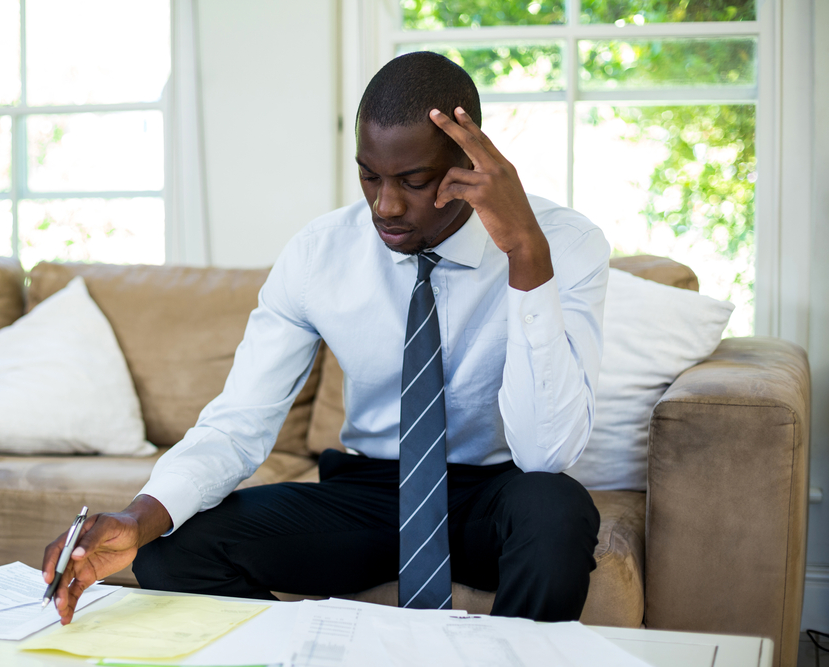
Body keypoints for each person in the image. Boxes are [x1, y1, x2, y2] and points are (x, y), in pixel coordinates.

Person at [43, 51, 609, 625]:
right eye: (370, 176)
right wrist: (139, 517)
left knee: (556, 509)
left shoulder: (564, 243)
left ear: (472, 161)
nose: (385, 206)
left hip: (493, 498)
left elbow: (547, 454)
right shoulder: (319, 255)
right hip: (371, 495)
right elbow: (238, 424)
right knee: (171, 545)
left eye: (413, 181)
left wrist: (525, 254)